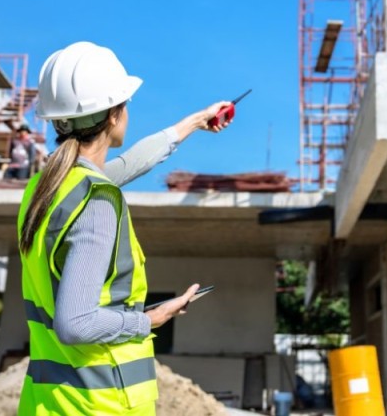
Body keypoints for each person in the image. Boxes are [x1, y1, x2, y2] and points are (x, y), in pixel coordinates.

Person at [17, 41, 233, 415]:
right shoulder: (96, 201)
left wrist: (196, 122)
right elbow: (76, 324)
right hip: (99, 404)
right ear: (114, 115)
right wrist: (151, 318)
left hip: (49, 402)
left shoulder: (46, 189)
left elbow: (130, 163)